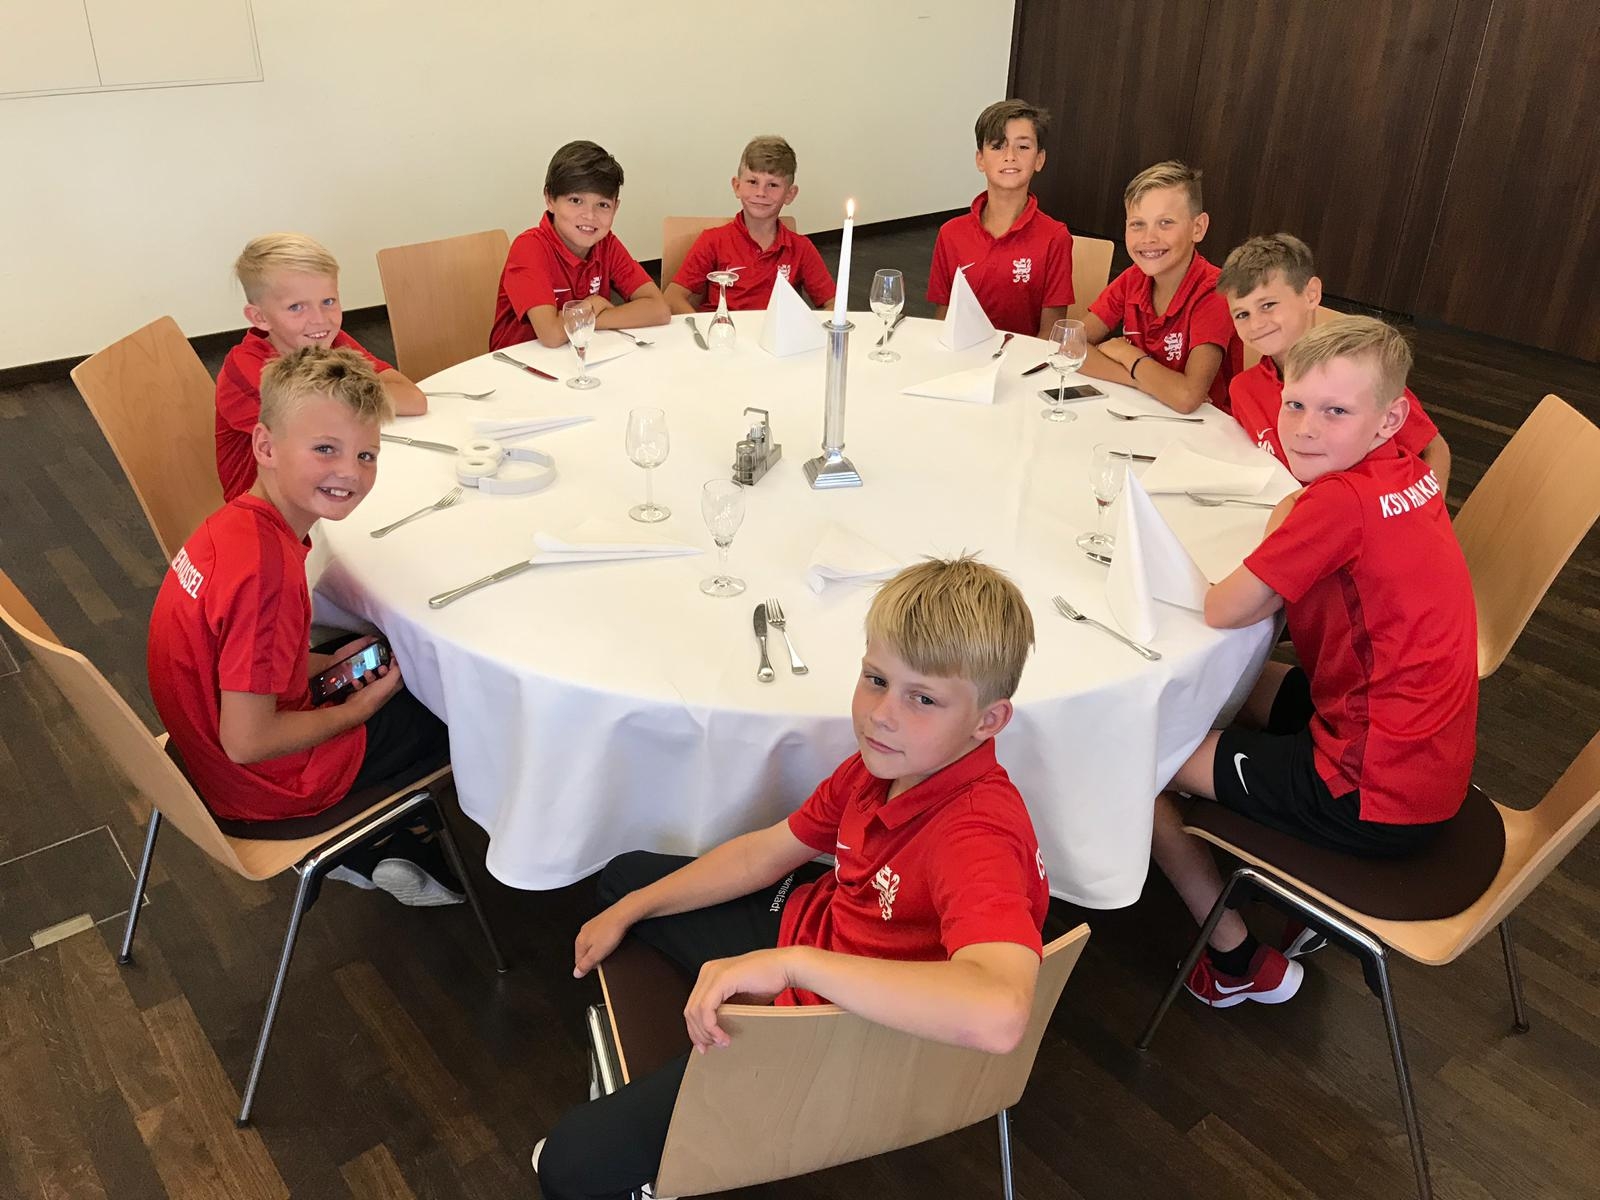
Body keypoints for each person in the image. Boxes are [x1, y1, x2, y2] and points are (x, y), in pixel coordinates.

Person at [535, 557, 1051, 1200]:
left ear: (988, 721)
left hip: (843, 1033)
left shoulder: (977, 834)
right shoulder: (885, 766)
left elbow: (1001, 1013)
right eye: (876, 679)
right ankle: (699, 1072)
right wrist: (634, 907)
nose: (881, 714)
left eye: (922, 698)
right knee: (625, 885)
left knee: (568, 1168)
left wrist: (793, 966)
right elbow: (767, 854)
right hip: (816, 931)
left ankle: (705, 1096)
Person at [1150, 317, 1477, 1007]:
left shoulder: (1338, 505)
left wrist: (1284, 526)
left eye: (1335, 412)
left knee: (1141, 756)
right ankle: (1285, 881)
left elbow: (1223, 608)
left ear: (1390, 419)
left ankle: (1235, 959)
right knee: (1248, 682)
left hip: (1369, 794)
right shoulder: (1408, 471)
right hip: (1425, 758)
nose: (1303, 429)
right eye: (1295, 404)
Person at [152, 347, 463, 905]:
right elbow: (247, 742)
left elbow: (237, 654)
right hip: (262, 785)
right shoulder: (266, 575)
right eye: (325, 449)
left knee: (367, 653)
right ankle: (371, 846)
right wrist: (355, 711)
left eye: (366, 455)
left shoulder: (232, 527)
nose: (350, 472)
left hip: (203, 749)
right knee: (453, 703)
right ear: (265, 446)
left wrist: (323, 664)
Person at [1219, 233, 1451, 493]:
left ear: (1311, 294)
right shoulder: (1244, 390)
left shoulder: (1355, 376)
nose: (1256, 324)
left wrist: (1425, 510)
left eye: (1268, 305)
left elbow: (1434, 449)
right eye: (1242, 314)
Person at [216, 233, 425, 502]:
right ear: (259, 317)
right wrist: (361, 396)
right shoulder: (247, 368)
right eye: (296, 307)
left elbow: (413, 399)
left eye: (328, 302)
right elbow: (324, 437)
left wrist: (343, 400)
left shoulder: (331, 342)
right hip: (271, 511)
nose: (319, 320)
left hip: (330, 487)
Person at [1081, 160, 1241, 413]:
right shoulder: (1133, 278)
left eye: (1165, 223)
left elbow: (1187, 397)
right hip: (1146, 409)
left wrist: (1127, 355)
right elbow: (1071, 346)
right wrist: (1141, 380)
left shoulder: (1215, 292)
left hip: (1205, 428)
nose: (1149, 238)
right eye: (1137, 224)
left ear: (1198, 228)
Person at [489, 140, 670, 350]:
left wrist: (588, 317)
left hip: (581, 358)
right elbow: (551, 335)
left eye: (603, 205)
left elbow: (659, 309)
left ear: (616, 207)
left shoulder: (606, 244)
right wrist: (594, 304)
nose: (590, 216)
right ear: (549, 199)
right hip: (520, 364)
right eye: (576, 201)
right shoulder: (529, 247)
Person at [927, 98, 1075, 337]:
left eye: (1023, 147)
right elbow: (944, 318)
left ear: (1039, 159)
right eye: (997, 146)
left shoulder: (1055, 237)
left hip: (1024, 358)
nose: (1010, 156)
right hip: (963, 354)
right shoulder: (951, 233)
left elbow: (1051, 332)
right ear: (980, 159)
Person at [664, 135, 835, 314]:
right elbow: (672, 297)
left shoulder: (801, 248)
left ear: (790, 194)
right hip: (724, 330)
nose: (761, 193)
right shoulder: (712, 241)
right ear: (737, 186)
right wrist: (705, 327)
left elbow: (834, 304)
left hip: (776, 332)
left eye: (773, 185)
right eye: (753, 182)